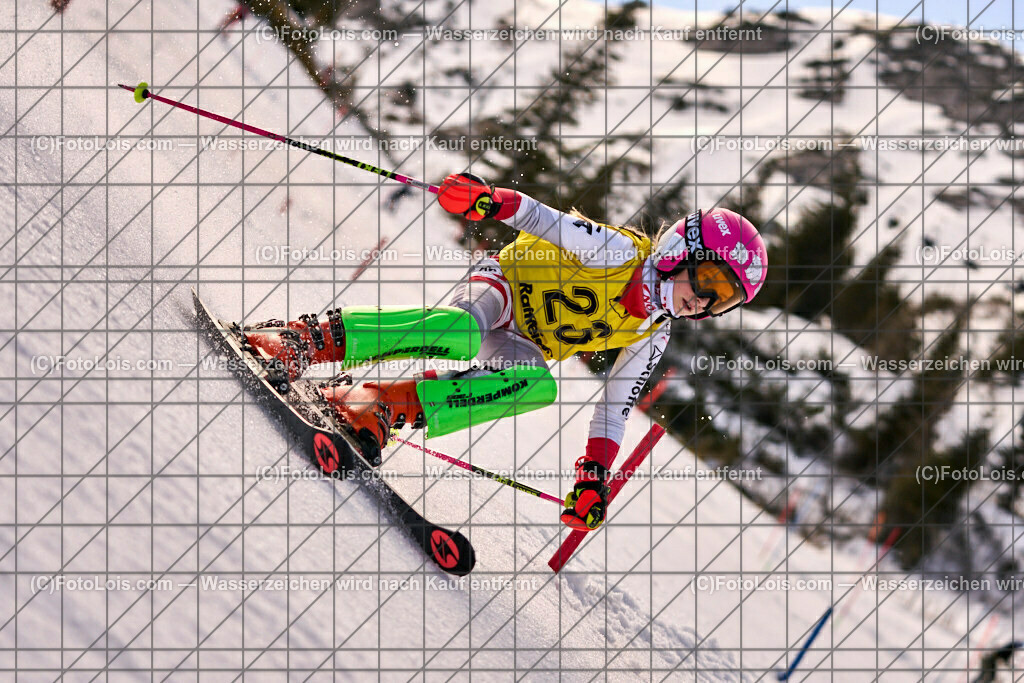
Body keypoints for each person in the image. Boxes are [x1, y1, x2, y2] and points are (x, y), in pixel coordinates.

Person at [239, 173, 767, 530]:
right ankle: (305, 339)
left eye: (722, 298)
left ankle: (379, 403)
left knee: (535, 385)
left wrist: (592, 477)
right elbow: (545, 219)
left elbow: (614, 408)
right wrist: (489, 201)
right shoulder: (622, 253)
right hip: (503, 289)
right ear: (681, 250)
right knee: (460, 332)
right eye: (710, 278)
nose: (703, 299)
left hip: (522, 340)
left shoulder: (652, 332)